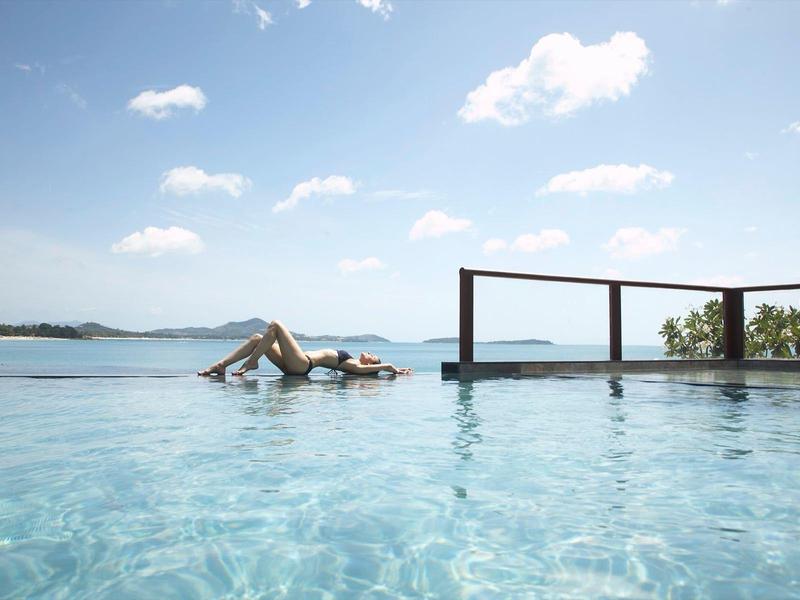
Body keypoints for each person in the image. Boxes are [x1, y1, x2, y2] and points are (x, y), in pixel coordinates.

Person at [197, 319, 412, 377]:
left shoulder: (356, 366)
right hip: (295, 365)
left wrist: (396, 369)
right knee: (256, 338)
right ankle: (220, 365)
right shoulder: (354, 361)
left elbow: (386, 367)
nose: (371, 354)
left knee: (276, 324)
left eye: (373, 357)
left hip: (302, 365)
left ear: (370, 364)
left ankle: (252, 362)